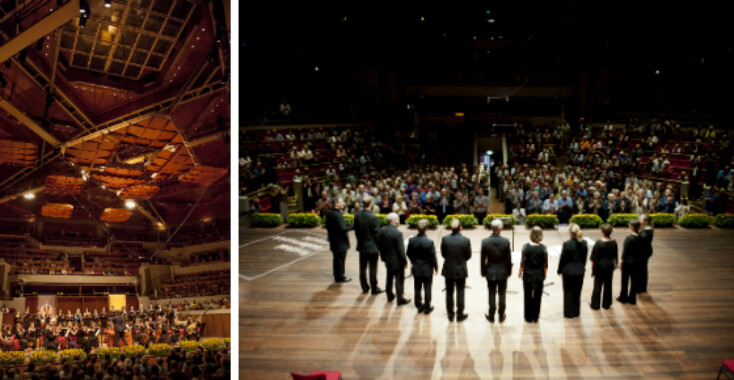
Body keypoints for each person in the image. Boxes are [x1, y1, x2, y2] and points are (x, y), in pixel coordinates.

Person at [481, 219, 513, 323]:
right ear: (500, 229)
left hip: (490, 270)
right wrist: (509, 271)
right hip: (503, 271)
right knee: (502, 294)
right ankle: (501, 315)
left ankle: (491, 315)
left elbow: (482, 259)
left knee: (491, 293)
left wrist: (483, 272)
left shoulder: (485, 241)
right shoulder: (506, 241)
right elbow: (508, 259)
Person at [441, 219, 471, 322]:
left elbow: (443, 254)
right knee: (460, 292)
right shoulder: (465, 240)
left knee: (449, 292)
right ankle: (460, 314)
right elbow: (468, 255)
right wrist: (461, 261)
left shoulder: (445, 239)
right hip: (460, 268)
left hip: (448, 268)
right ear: (460, 228)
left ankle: (450, 314)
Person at [378, 213, 410, 305]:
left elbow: (380, 245)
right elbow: (401, 250)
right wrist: (405, 261)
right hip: (397, 261)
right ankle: (400, 298)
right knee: (399, 280)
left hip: (387, 259)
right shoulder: (398, 233)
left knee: (389, 278)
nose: (398, 220)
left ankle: (389, 295)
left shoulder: (382, 230)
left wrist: (383, 257)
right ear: (393, 220)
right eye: (397, 218)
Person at [407, 219, 438, 314]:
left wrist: (414, 261)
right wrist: (436, 267)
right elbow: (432, 257)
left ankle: (419, 306)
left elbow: (408, 253)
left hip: (416, 267)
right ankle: (427, 307)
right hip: (427, 268)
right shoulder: (429, 242)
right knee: (427, 288)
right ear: (426, 229)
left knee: (417, 287)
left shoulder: (412, 240)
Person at [354, 196, 383, 295]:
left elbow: (356, 232)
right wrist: (379, 247)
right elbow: (377, 234)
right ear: (371, 204)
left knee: (362, 268)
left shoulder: (357, 216)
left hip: (362, 246)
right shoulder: (373, 217)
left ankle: (364, 287)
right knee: (373, 268)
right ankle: (374, 288)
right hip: (372, 247)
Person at [558, 223, 588, 318]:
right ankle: (576, 312)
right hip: (580, 271)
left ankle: (569, 313)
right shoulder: (584, 243)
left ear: (571, 233)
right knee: (577, 292)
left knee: (568, 292)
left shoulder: (567, 244)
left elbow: (563, 259)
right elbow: (584, 258)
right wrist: (582, 267)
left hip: (568, 272)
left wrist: (559, 270)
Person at [519, 226, 548, 323]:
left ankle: (528, 317)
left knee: (527, 296)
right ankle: (535, 317)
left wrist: (520, 272)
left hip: (528, 275)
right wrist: (545, 275)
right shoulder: (543, 248)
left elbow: (523, 263)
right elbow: (545, 265)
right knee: (538, 296)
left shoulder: (525, 247)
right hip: (539, 275)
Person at [590, 224, 618, 310]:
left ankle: (595, 304)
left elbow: (593, 258)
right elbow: (615, 256)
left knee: (597, 285)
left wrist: (593, 269)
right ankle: (606, 303)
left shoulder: (598, 243)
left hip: (600, 266)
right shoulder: (614, 242)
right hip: (609, 266)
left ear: (602, 232)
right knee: (608, 285)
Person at [617, 219, 646, 305]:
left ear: (632, 227)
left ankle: (623, 297)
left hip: (628, 262)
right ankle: (632, 299)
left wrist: (621, 262)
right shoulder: (641, 237)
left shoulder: (629, 238)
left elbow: (625, 252)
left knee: (625, 280)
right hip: (638, 262)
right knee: (634, 281)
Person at [325, 198, 353, 283]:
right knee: (341, 259)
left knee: (336, 259)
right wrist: (353, 226)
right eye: (341, 202)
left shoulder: (329, 213)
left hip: (333, 240)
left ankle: (336, 275)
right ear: (336, 204)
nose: (343, 204)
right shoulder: (337, 215)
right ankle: (341, 276)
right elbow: (343, 228)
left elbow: (327, 226)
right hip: (340, 241)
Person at [638, 214, 654, 293]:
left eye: (641, 219)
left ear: (645, 221)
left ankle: (641, 287)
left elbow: (641, 240)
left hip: (644, 252)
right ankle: (642, 287)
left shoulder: (646, 231)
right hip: (646, 250)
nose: (639, 220)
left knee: (642, 269)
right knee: (643, 269)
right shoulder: (646, 229)